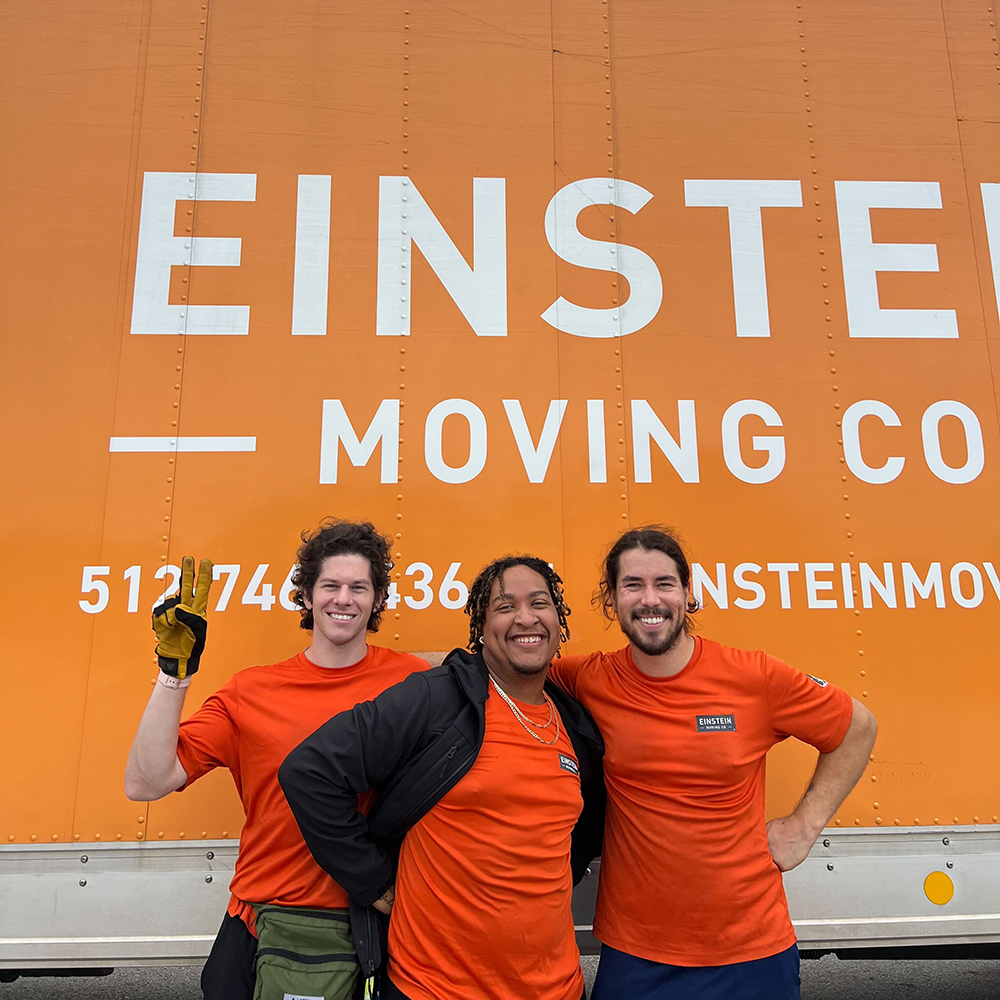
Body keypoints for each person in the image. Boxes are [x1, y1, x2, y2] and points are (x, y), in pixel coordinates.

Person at [548, 526, 878, 1000]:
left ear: (687, 592)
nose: (650, 600)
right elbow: (507, 670)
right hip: (636, 952)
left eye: (664, 583)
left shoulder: (753, 677)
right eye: (633, 585)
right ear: (612, 600)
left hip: (750, 950)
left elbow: (857, 727)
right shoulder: (591, 678)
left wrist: (805, 826)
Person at [124, 519, 429, 1000]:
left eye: (358, 588)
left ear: (376, 601)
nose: (343, 599)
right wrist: (172, 674)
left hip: (371, 916)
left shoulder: (412, 681)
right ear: (306, 596)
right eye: (329, 585)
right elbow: (146, 782)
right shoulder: (253, 691)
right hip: (262, 914)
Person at [279, 555, 606, 1000]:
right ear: (481, 624)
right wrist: (372, 880)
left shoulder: (574, 723)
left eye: (540, 603)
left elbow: (581, 834)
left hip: (558, 987)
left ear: (558, 618)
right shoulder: (437, 699)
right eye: (505, 606)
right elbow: (309, 771)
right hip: (433, 987)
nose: (526, 618)